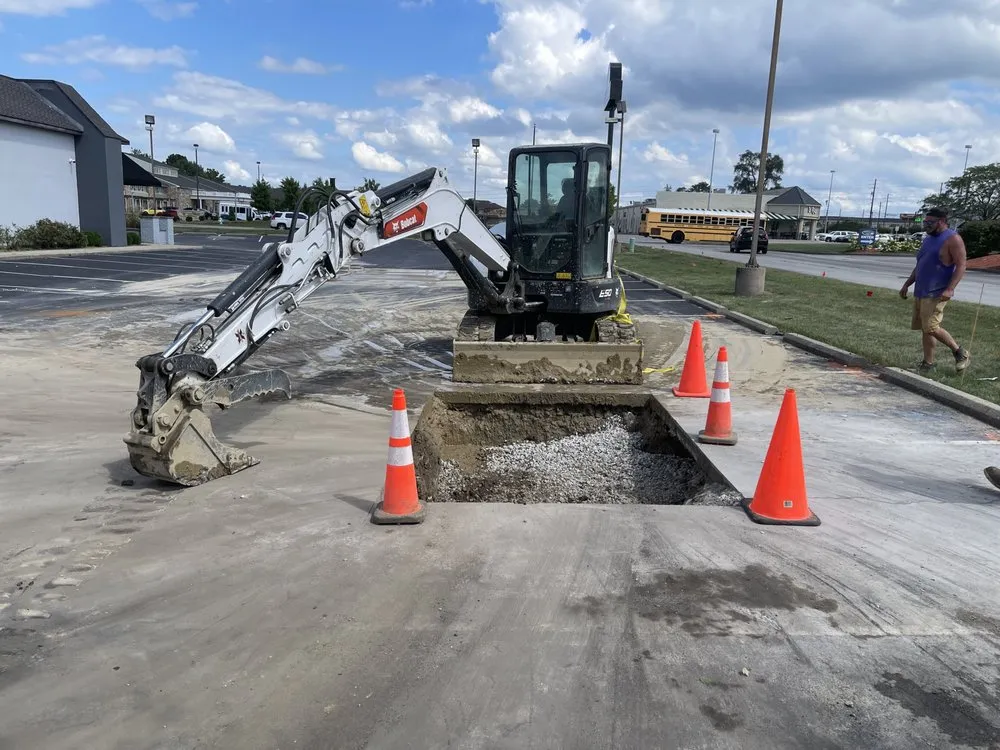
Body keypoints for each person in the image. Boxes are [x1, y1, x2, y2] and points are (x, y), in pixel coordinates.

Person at [899, 207, 970, 374]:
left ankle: (960, 352)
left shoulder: (953, 239)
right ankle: (928, 364)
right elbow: (920, 265)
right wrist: (907, 284)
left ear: (942, 221)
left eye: (930, 222)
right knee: (926, 328)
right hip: (921, 290)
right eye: (925, 222)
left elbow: (961, 265)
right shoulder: (928, 239)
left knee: (931, 327)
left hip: (937, 292)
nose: (926, 225)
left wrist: (950, 289)